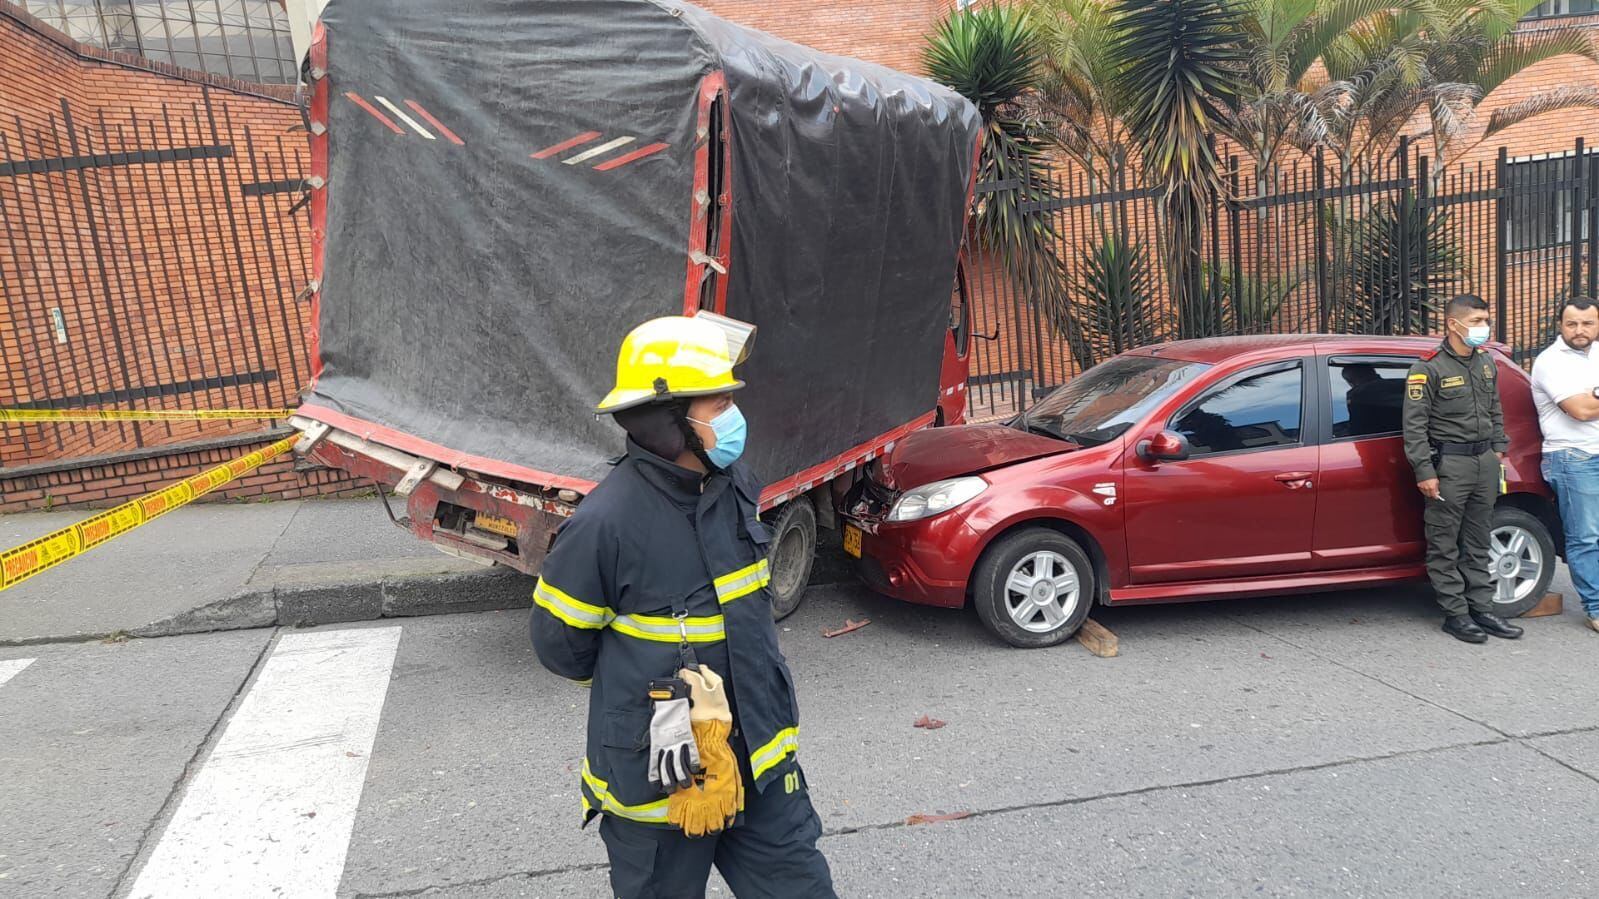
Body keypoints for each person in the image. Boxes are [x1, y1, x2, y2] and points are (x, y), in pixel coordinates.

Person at [529, 312, 837, 899]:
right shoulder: (605, 524)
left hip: (760, 767)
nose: (734, 417)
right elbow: (561, 648)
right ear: (668, 422)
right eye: (719, 405)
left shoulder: (736, 484)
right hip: (662, 785)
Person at [1402, 294, 1522, 643]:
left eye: (1486, 320)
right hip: (1451, 464)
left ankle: (1482, 609)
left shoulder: (1485, 362)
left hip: (1484, 462)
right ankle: (1456, 614)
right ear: (1453, 324)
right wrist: (1425, 471)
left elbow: (1495, 409)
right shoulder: (1428, 368)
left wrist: (1498, 450)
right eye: (1476, 321)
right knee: (1444, 541)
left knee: (1479, 540)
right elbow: (1414, 427)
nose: (1484, 327)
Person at [1530, 296, 1599, 634]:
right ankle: (1596, 607)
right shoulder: (1550, 361)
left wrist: (1593, 395)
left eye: (1587, 323)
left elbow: (1589, 403)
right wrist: (1588, 399)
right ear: (1561, 325)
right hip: (1573, 458)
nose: (1579, 330)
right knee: (1585, 536)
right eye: (1572, 323)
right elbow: (1580, 410)